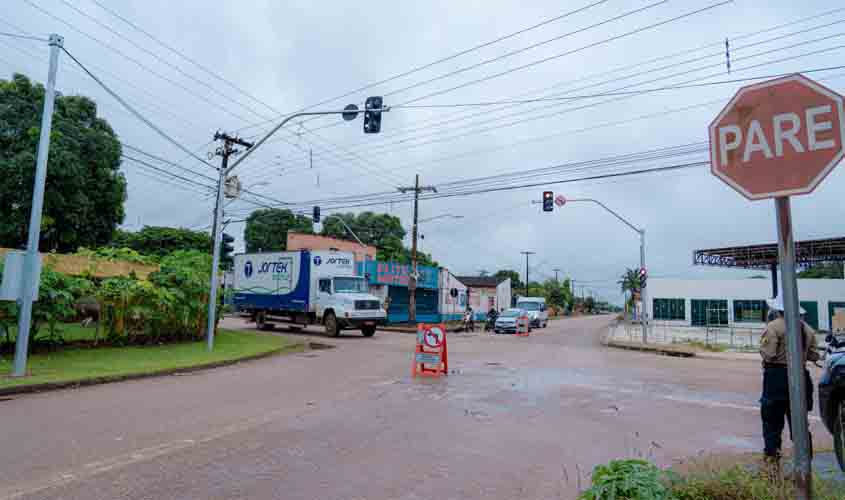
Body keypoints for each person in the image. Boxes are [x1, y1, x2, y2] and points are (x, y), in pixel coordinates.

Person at [759, 297, 820, 477]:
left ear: (779, 311)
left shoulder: (774, 327)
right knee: (800, 424)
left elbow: (768, 355)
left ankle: (772, 468)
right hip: (801, 377)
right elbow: (814, 355)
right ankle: (804, 466)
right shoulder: (807, 329)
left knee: (772, 424)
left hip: (777, 378)